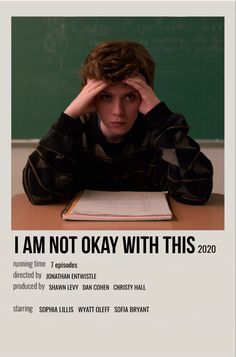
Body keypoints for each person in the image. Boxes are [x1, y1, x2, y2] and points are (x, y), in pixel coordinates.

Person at [23, 40, 213, 205]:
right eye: (105, 97)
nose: (118, 111)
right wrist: (68, 117)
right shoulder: (74, 134)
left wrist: (161, 116)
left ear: (145, 95)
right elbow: (38, 194)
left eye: (130, 97)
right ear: (90, 97)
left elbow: (196, 193)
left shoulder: (160, 135)